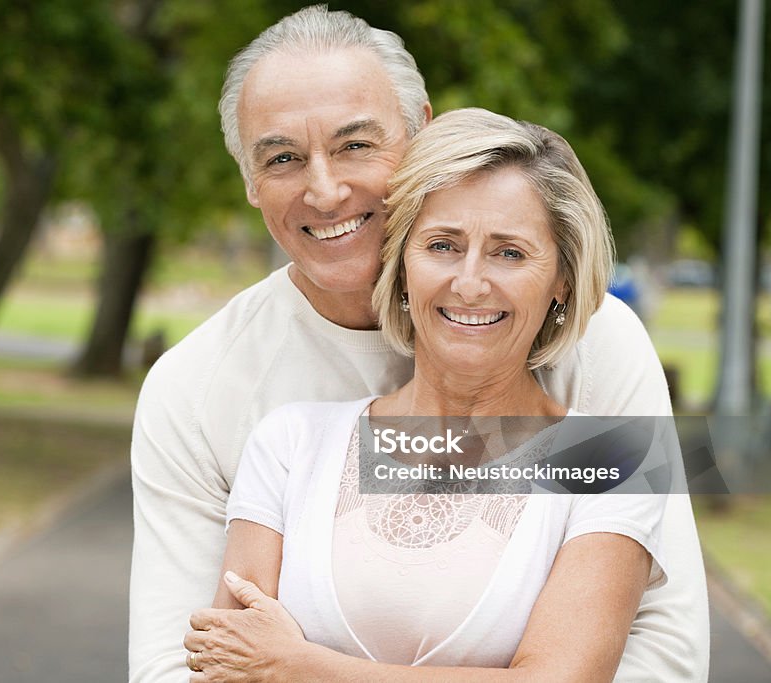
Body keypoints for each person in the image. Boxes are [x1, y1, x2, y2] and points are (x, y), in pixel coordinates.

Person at [128, 6, 708, 682]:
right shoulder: (209, 396)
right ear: (250, 183)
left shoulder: (598, 342)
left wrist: (305, 667)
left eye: (355, 144)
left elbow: (661, 650)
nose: (325, 188)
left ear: (421, 136)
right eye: (283, 157)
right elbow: (192, 663)